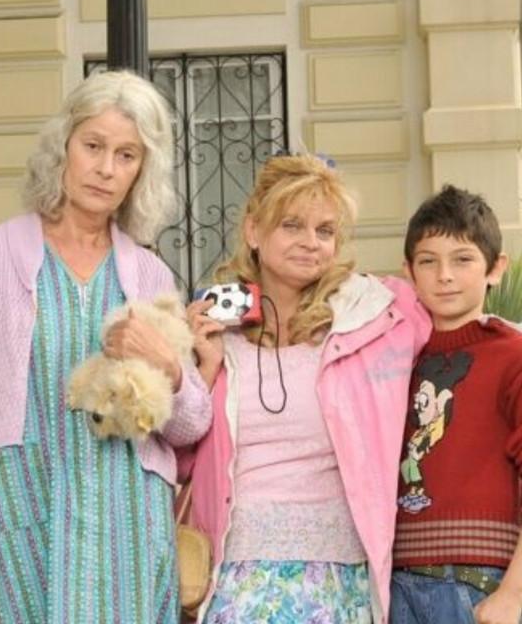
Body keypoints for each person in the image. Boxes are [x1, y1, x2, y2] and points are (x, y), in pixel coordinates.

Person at [0, 70, 213, 623]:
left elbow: (191, 424)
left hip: (127, 531)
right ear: (63, 146)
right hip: (18, 512)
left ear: (141, 172)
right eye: (93, 146)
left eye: (127, 155)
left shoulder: (150, 274)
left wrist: (168, 366)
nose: (106, 168)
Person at [183, 155, 431, 623]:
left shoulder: (374, 318)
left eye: (325, 230)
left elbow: (456, 323)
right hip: (236, 577)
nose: (310, 242)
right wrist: (203, 368)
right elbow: (177, 457)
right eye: (292, 225)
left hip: (337, 579)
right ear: (254, 231)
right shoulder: (216, 333)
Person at [389, 186, 522, 624]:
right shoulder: (392, 359)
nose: (444, 275)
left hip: (478, 582)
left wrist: (513, 595)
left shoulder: (512, 354)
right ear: (409, 271)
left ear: (495, 268)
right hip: (394, 582)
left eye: (462, 259)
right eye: (428, 261)